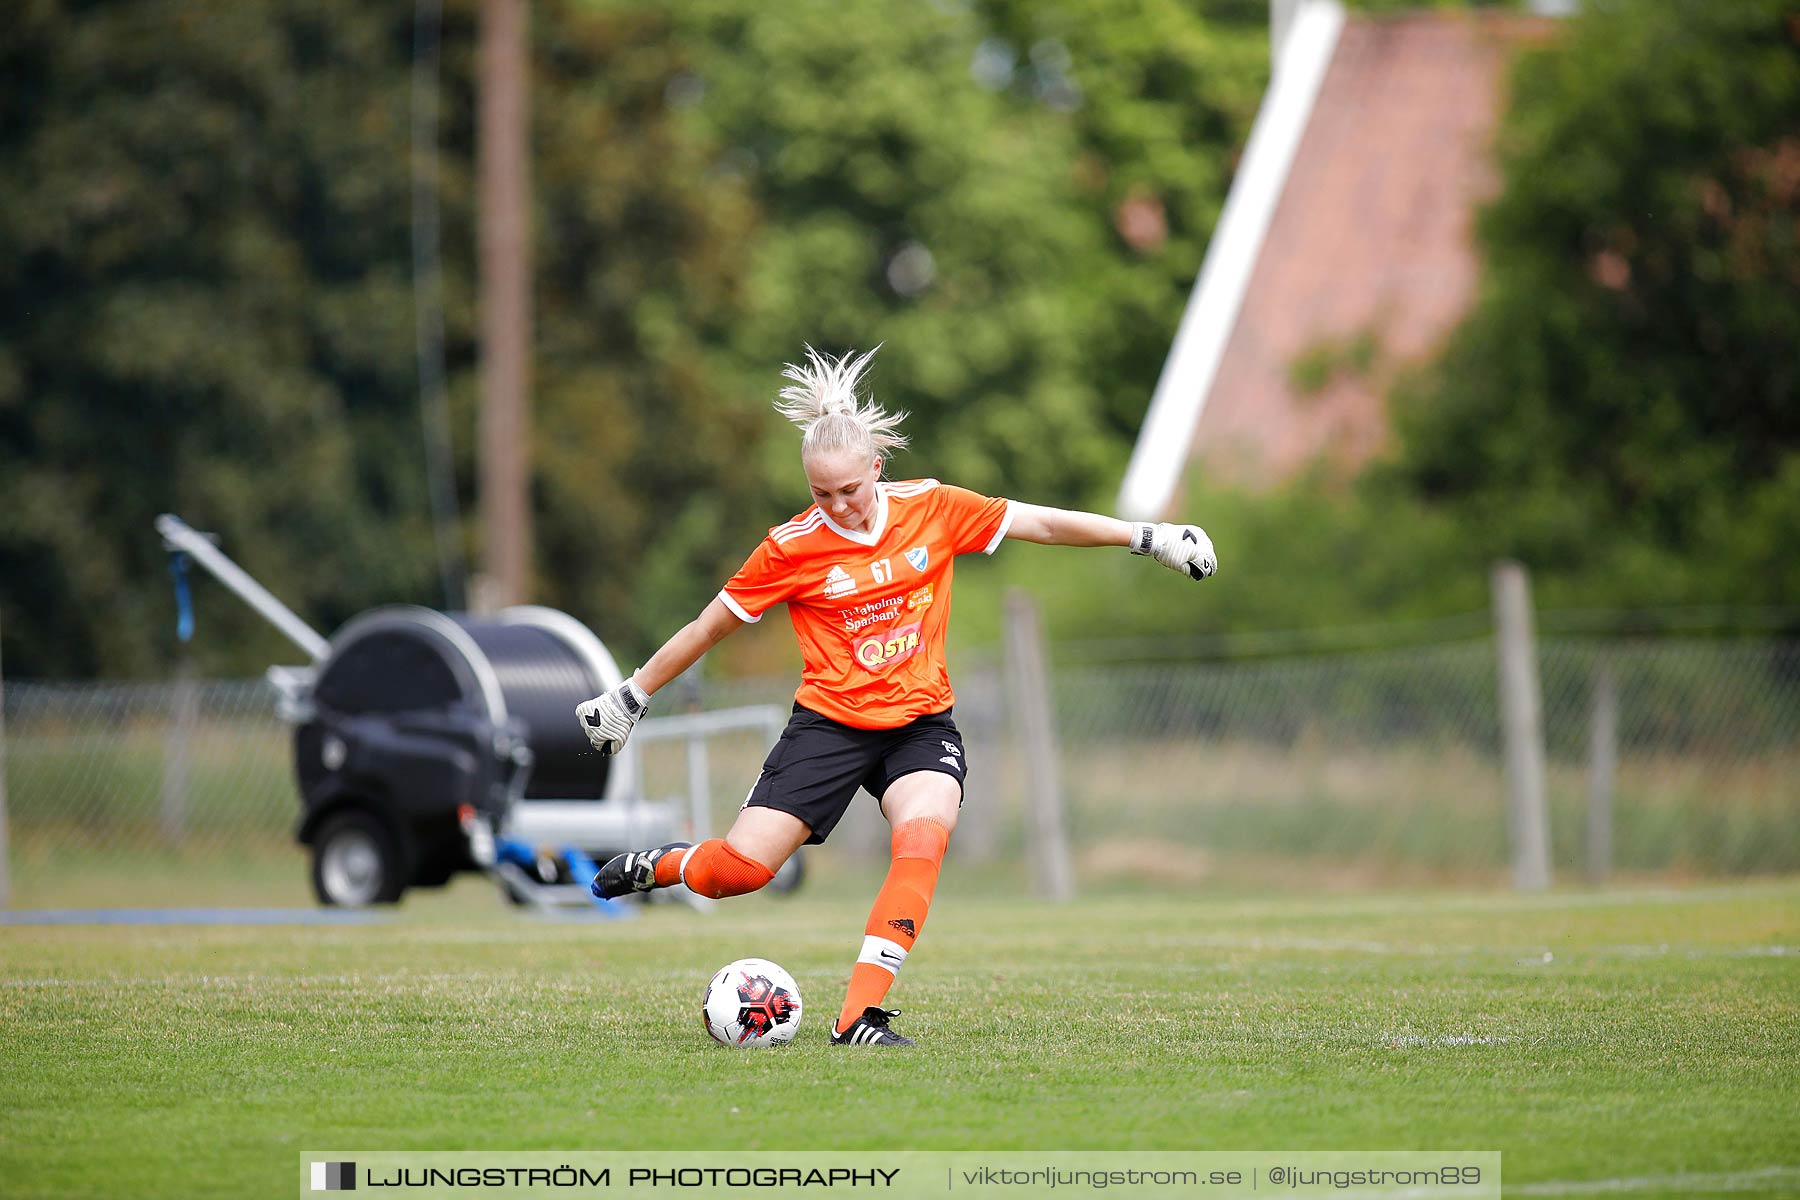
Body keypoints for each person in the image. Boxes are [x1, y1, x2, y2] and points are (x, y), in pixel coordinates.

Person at [576, 346, 1217, 1048]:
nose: (839, 507)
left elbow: (1040, 523)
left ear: (876, 468)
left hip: (918, 724)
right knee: (741, 872)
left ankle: (858, 1017)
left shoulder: (933, 508)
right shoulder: (791, 547)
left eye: (849, 490)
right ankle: (660, 864)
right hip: (829, 725)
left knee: (922, 835)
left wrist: (1148, 536)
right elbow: (708, 627)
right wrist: (631, 696)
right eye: (821, 495)